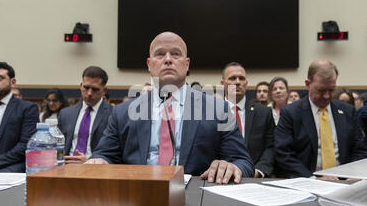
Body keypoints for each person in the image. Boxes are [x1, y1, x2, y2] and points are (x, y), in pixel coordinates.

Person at [87, 31, 254, 184]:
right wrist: (101, 161)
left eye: (175, 54)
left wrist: (231, 167)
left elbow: (243, 162)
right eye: (160, 54)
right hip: (137, 193)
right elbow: (104, 154)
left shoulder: (218, 109)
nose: (168, 59)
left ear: (186, 64)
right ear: (149, 64)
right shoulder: (122, 112)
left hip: (197, 198)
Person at [274, 60, 367, 179]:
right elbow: (283, 154)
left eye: (331, 90)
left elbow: (360, 150)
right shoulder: (291, 113)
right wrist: (313, 179)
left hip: (344, 181)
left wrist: (352, 173)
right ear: (307, 84)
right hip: (307, 182)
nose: (327, 96)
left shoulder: (347, 112)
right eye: (321, 90)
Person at [221, 62, 275, 178]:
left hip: (254, 177)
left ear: (246, 83)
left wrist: (258, 171)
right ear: (222, 83)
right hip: (220, 177)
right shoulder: (212, 113)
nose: (237, 82)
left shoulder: (264, 113)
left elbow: (271, 147)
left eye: (241, 78)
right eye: (232, 78)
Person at [58, 66, 114, 163]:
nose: (89, 93)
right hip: (66, 167)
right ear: (81, 86)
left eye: (95, 89)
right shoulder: (65, 114)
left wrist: (90, 161)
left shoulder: (113, 114)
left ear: (104, 90)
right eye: (86, 87)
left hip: (96, 169)